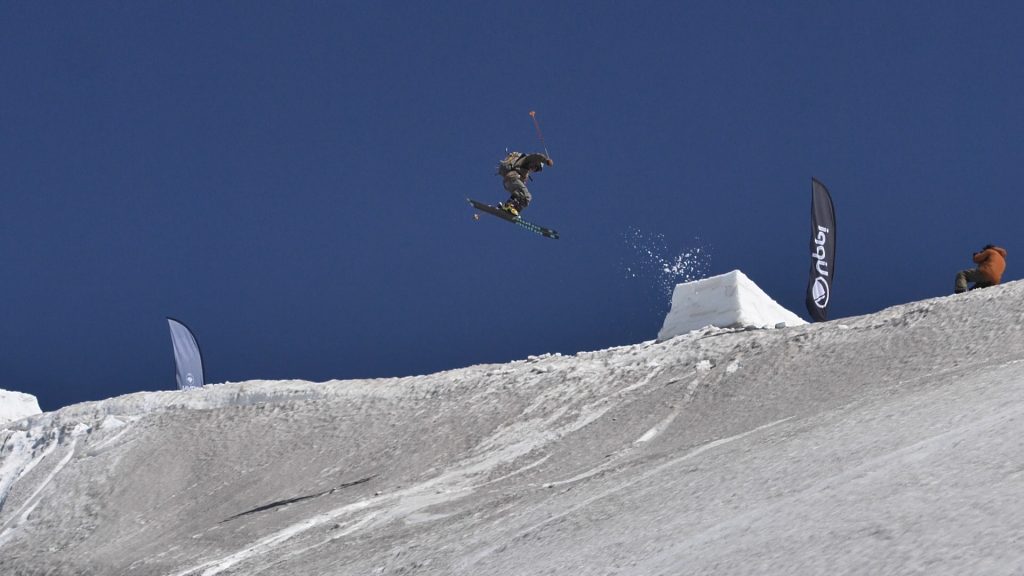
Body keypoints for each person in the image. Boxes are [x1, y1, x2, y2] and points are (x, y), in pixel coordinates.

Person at [496, 151, 553, 216]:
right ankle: (512, 208)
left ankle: (507, 207)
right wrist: (546, 161)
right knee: (528, 197)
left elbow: (518, 192)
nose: (534, 170)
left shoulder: (524, 172)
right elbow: (537, 156)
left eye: (536, 170)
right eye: (536, 167)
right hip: (513, 178)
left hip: (507, 182)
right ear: (536, 163)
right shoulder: (527, 159)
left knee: (520, 195)